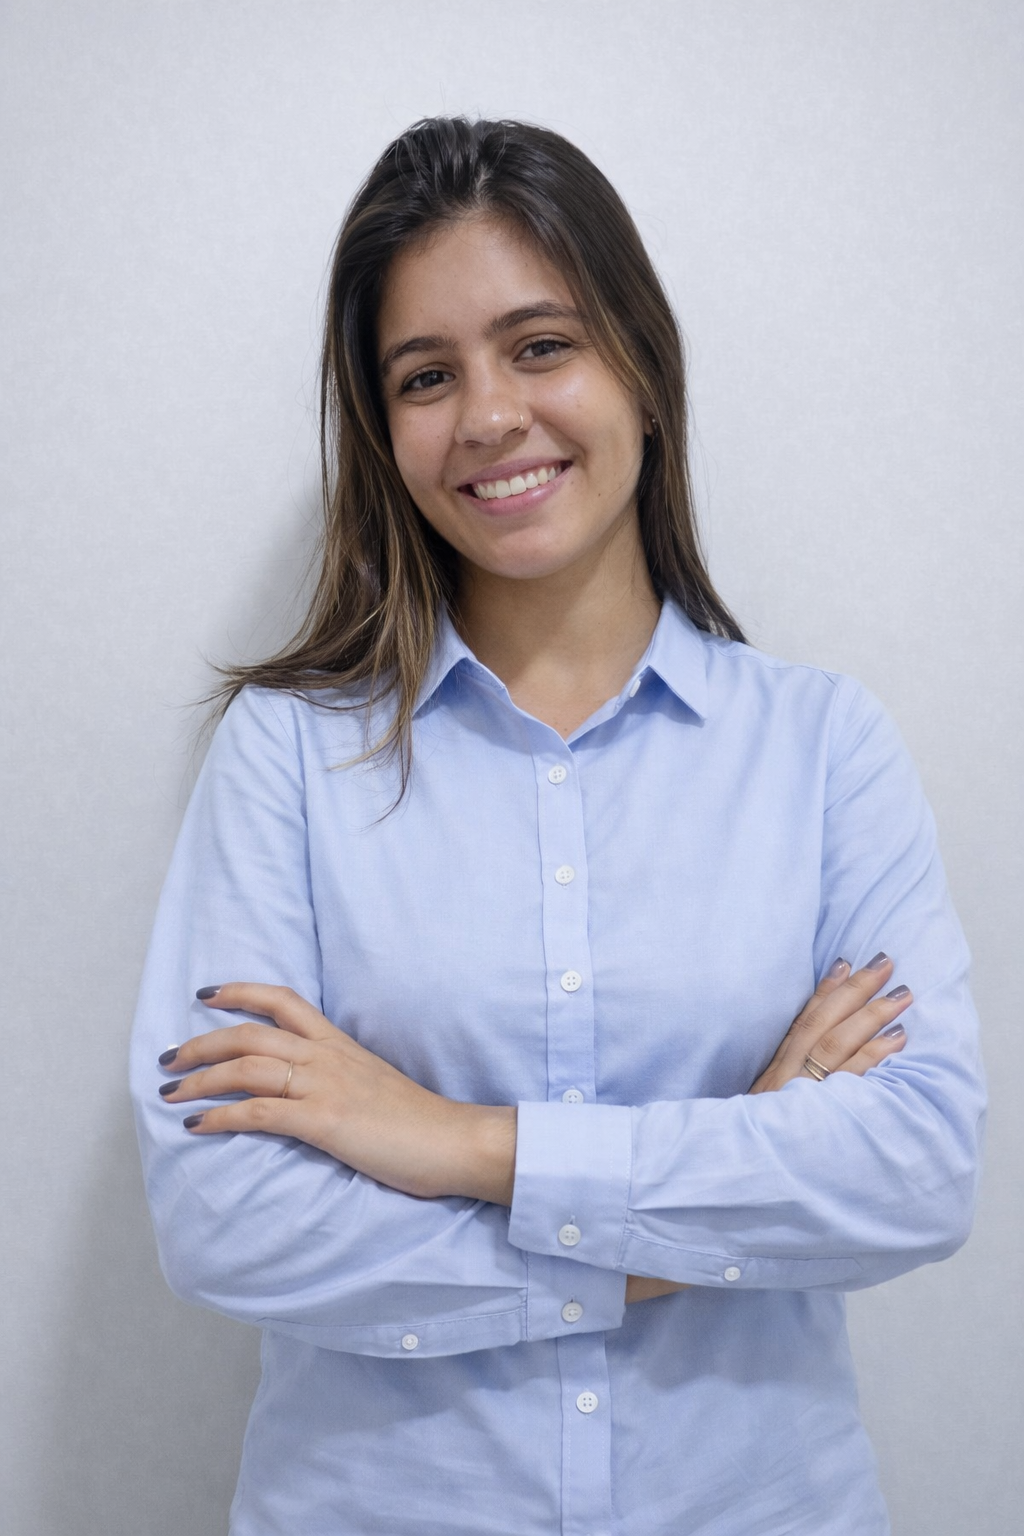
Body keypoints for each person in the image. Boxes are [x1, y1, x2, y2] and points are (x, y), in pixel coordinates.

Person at [130, 117, 985, 1536]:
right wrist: (716, 1192)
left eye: (541, 346)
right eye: (425, 375)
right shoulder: (288, 756)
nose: (487, 417)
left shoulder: (824, 747)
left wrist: (453, 1142)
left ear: (642, 362)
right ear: (381, 426)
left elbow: (912, 1174)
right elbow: (231, 1221)